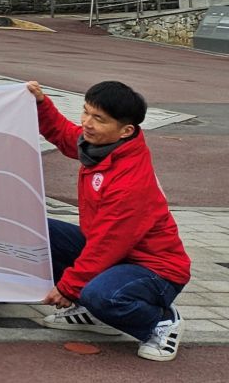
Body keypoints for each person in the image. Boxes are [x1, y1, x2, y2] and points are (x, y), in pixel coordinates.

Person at [29, 79, 190, 362]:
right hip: (118, 256)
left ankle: (161, 322)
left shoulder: (130, 180)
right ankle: (91, 313)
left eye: (98, 119)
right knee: (37, 231)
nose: (87, 123)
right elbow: (66, 134)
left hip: (155, 268)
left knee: (102, 295)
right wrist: (41, 103)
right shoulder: (101, 146)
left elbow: (107, 245)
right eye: (86, 112)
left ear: (126, 130)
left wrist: (69, 287)